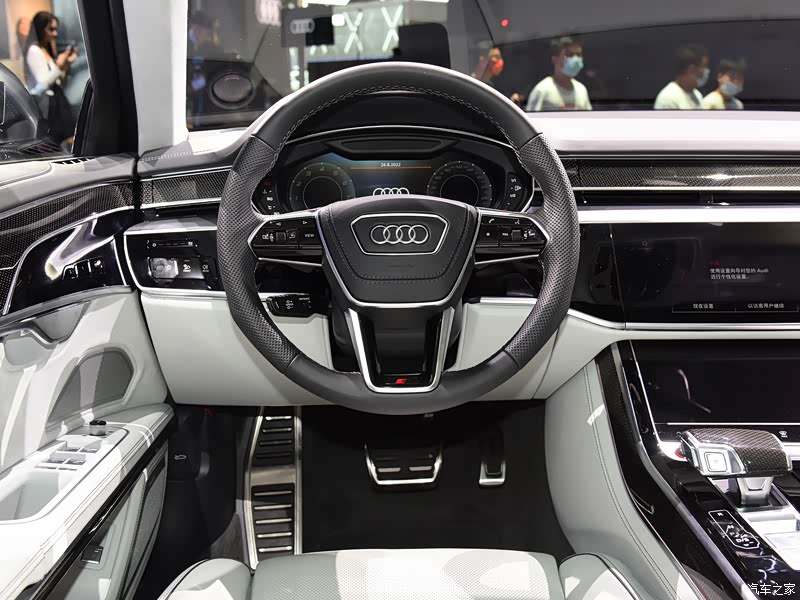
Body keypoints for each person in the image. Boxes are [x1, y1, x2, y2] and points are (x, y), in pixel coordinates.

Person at [24, 11, 78, 143]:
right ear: (40, 28)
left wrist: (66, 64)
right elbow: (43, 83)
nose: (55, 33)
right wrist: (59, 65)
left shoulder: (45, 49)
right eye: (51, 29)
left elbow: (59, 81)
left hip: (57, 101)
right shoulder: (34, 50)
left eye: (55, 29)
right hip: (48, 105)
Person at [526, 36, 592, 111]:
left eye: (579, 55)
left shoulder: (581, 90)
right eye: (569, 55)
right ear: (554, 59)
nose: (576, 59)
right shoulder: (542, 90)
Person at [654, 44, 709, 110]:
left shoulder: (697, 95)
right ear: (691, 70)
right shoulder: (668, 99)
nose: (706, 71)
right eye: (704, 66)